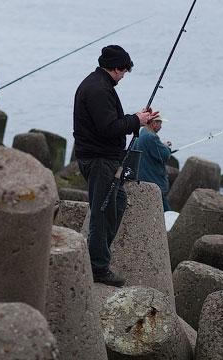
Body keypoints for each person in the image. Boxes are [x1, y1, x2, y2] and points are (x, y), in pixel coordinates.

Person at [73, 44, 157, 286]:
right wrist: (136, 121)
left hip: (102, 159)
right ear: (117, 68)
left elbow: (109, 122)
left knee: (117, 204)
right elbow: (108, 128)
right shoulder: (99, 89)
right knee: (103, 212)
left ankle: (98, 258)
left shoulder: (98, 84)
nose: (124, 76)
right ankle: (98, 268)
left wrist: (137, 119)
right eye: (124, 72)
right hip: (99, 161)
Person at [133, 115, 173, 211]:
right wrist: (167, 147)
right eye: (160, 123)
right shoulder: (151, 137)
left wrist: (161, 145)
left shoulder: (141, 133)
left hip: (143, 180)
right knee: (165, 213)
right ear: (154, 123)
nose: (161, 126)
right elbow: (164, 155)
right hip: (153, 182)